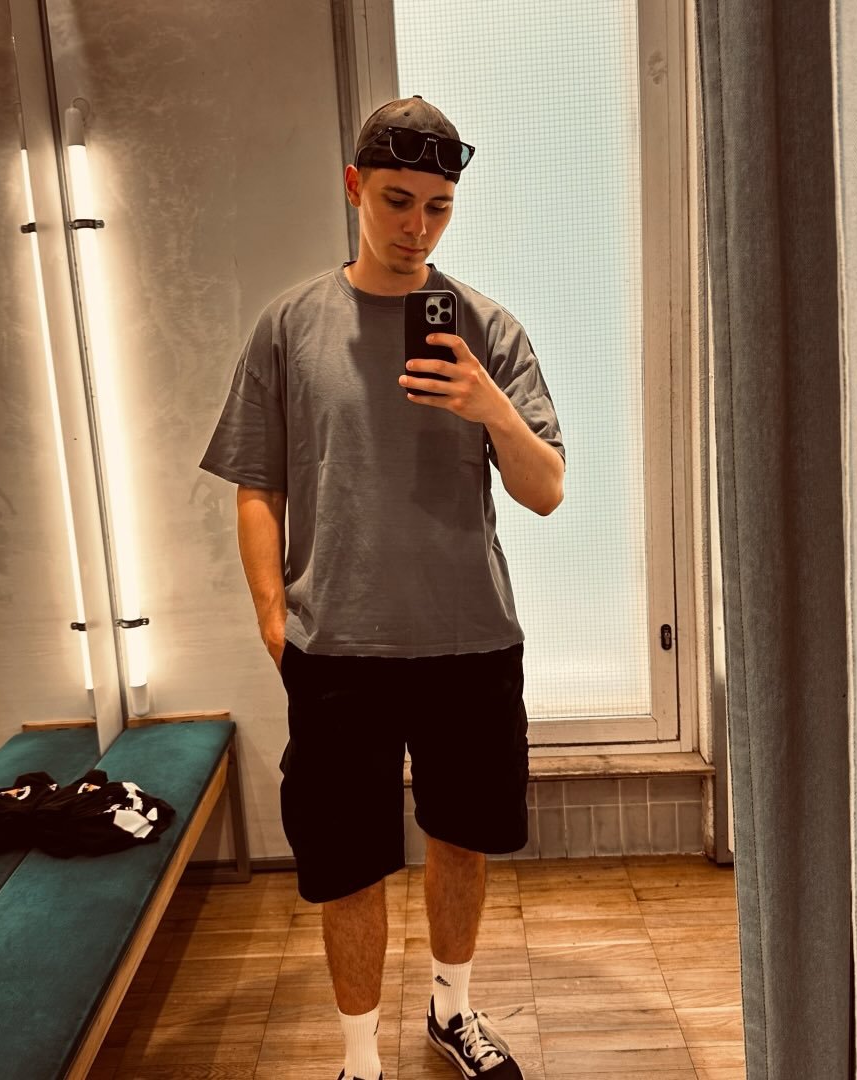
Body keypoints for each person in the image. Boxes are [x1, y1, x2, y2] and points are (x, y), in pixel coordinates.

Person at [200, 96, 565, 1080]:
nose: (418, 227)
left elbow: (545, 491)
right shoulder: (289, 327)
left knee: (462, 839)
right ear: (354, 187)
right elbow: (257, 484)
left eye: (439, 207)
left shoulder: (486, 329)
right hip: (338, 650)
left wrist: (489, 407)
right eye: (398, 201)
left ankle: (452, 1009)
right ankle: (358, 1061)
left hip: (470, 640)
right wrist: (274, 617)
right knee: (347, 860)